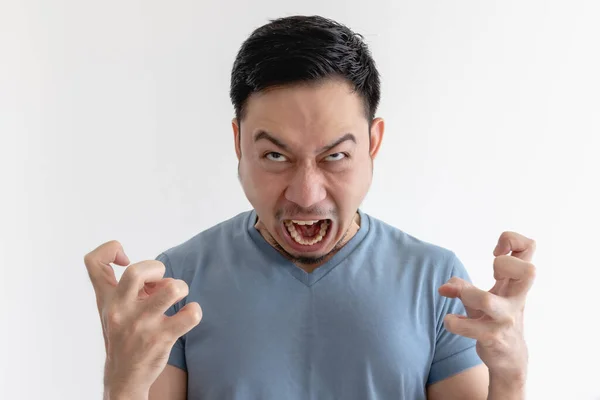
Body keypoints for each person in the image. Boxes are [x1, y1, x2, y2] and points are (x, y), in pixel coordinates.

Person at [84, 15, 536, 400]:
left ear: (372, 143)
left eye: (334, 156)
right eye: (276, 156)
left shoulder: (435, 282)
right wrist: (121, 384)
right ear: (239, 143)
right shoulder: (175, 287)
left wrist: (510, 375)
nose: (305, 193)